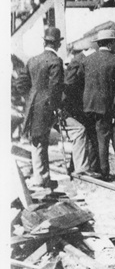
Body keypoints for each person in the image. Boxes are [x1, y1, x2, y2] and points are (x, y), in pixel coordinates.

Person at [17, 27, 65, 190]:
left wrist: (30, 97)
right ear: (57, 44)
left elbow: (20, 83)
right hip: (46, 106)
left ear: (44, 42)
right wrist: (56, 108)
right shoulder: (55, 61)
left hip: (32, 106)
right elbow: (55, 88)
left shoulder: (32, 60)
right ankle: (40, 178)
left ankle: (43, 176)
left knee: (36, 140)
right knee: (40, 141)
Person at [81, 29, 115, 179]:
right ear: (110, 44)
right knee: (103, 138)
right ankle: (103, 172)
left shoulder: (87, 60)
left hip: (87, 105)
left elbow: (80, 82)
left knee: (91, 137)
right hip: (105, 107)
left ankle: (93, 169)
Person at [63, 39, 99, 176]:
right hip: (77, 106)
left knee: (89, 134)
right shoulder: (79, 61)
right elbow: (69, 84)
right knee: (85, 133)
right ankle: (85, 168)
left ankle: (84, 166)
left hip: (82, 105)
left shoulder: (82, 60)